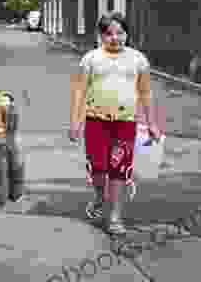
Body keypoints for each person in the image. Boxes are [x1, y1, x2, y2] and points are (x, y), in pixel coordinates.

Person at [69, 12, 162, 235]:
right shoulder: (91, 59)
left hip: (125, 124)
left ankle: (115, 217)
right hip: (96, 122)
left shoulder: (138, 60)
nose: (115, 38)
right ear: (101, 36)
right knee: (98, 168)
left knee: (119, 170)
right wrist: (75, 122)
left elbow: (145, 93)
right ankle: (101, 196)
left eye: (120, 32)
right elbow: (80, 92)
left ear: (127, 34)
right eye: (109, 33)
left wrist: (152, 123)